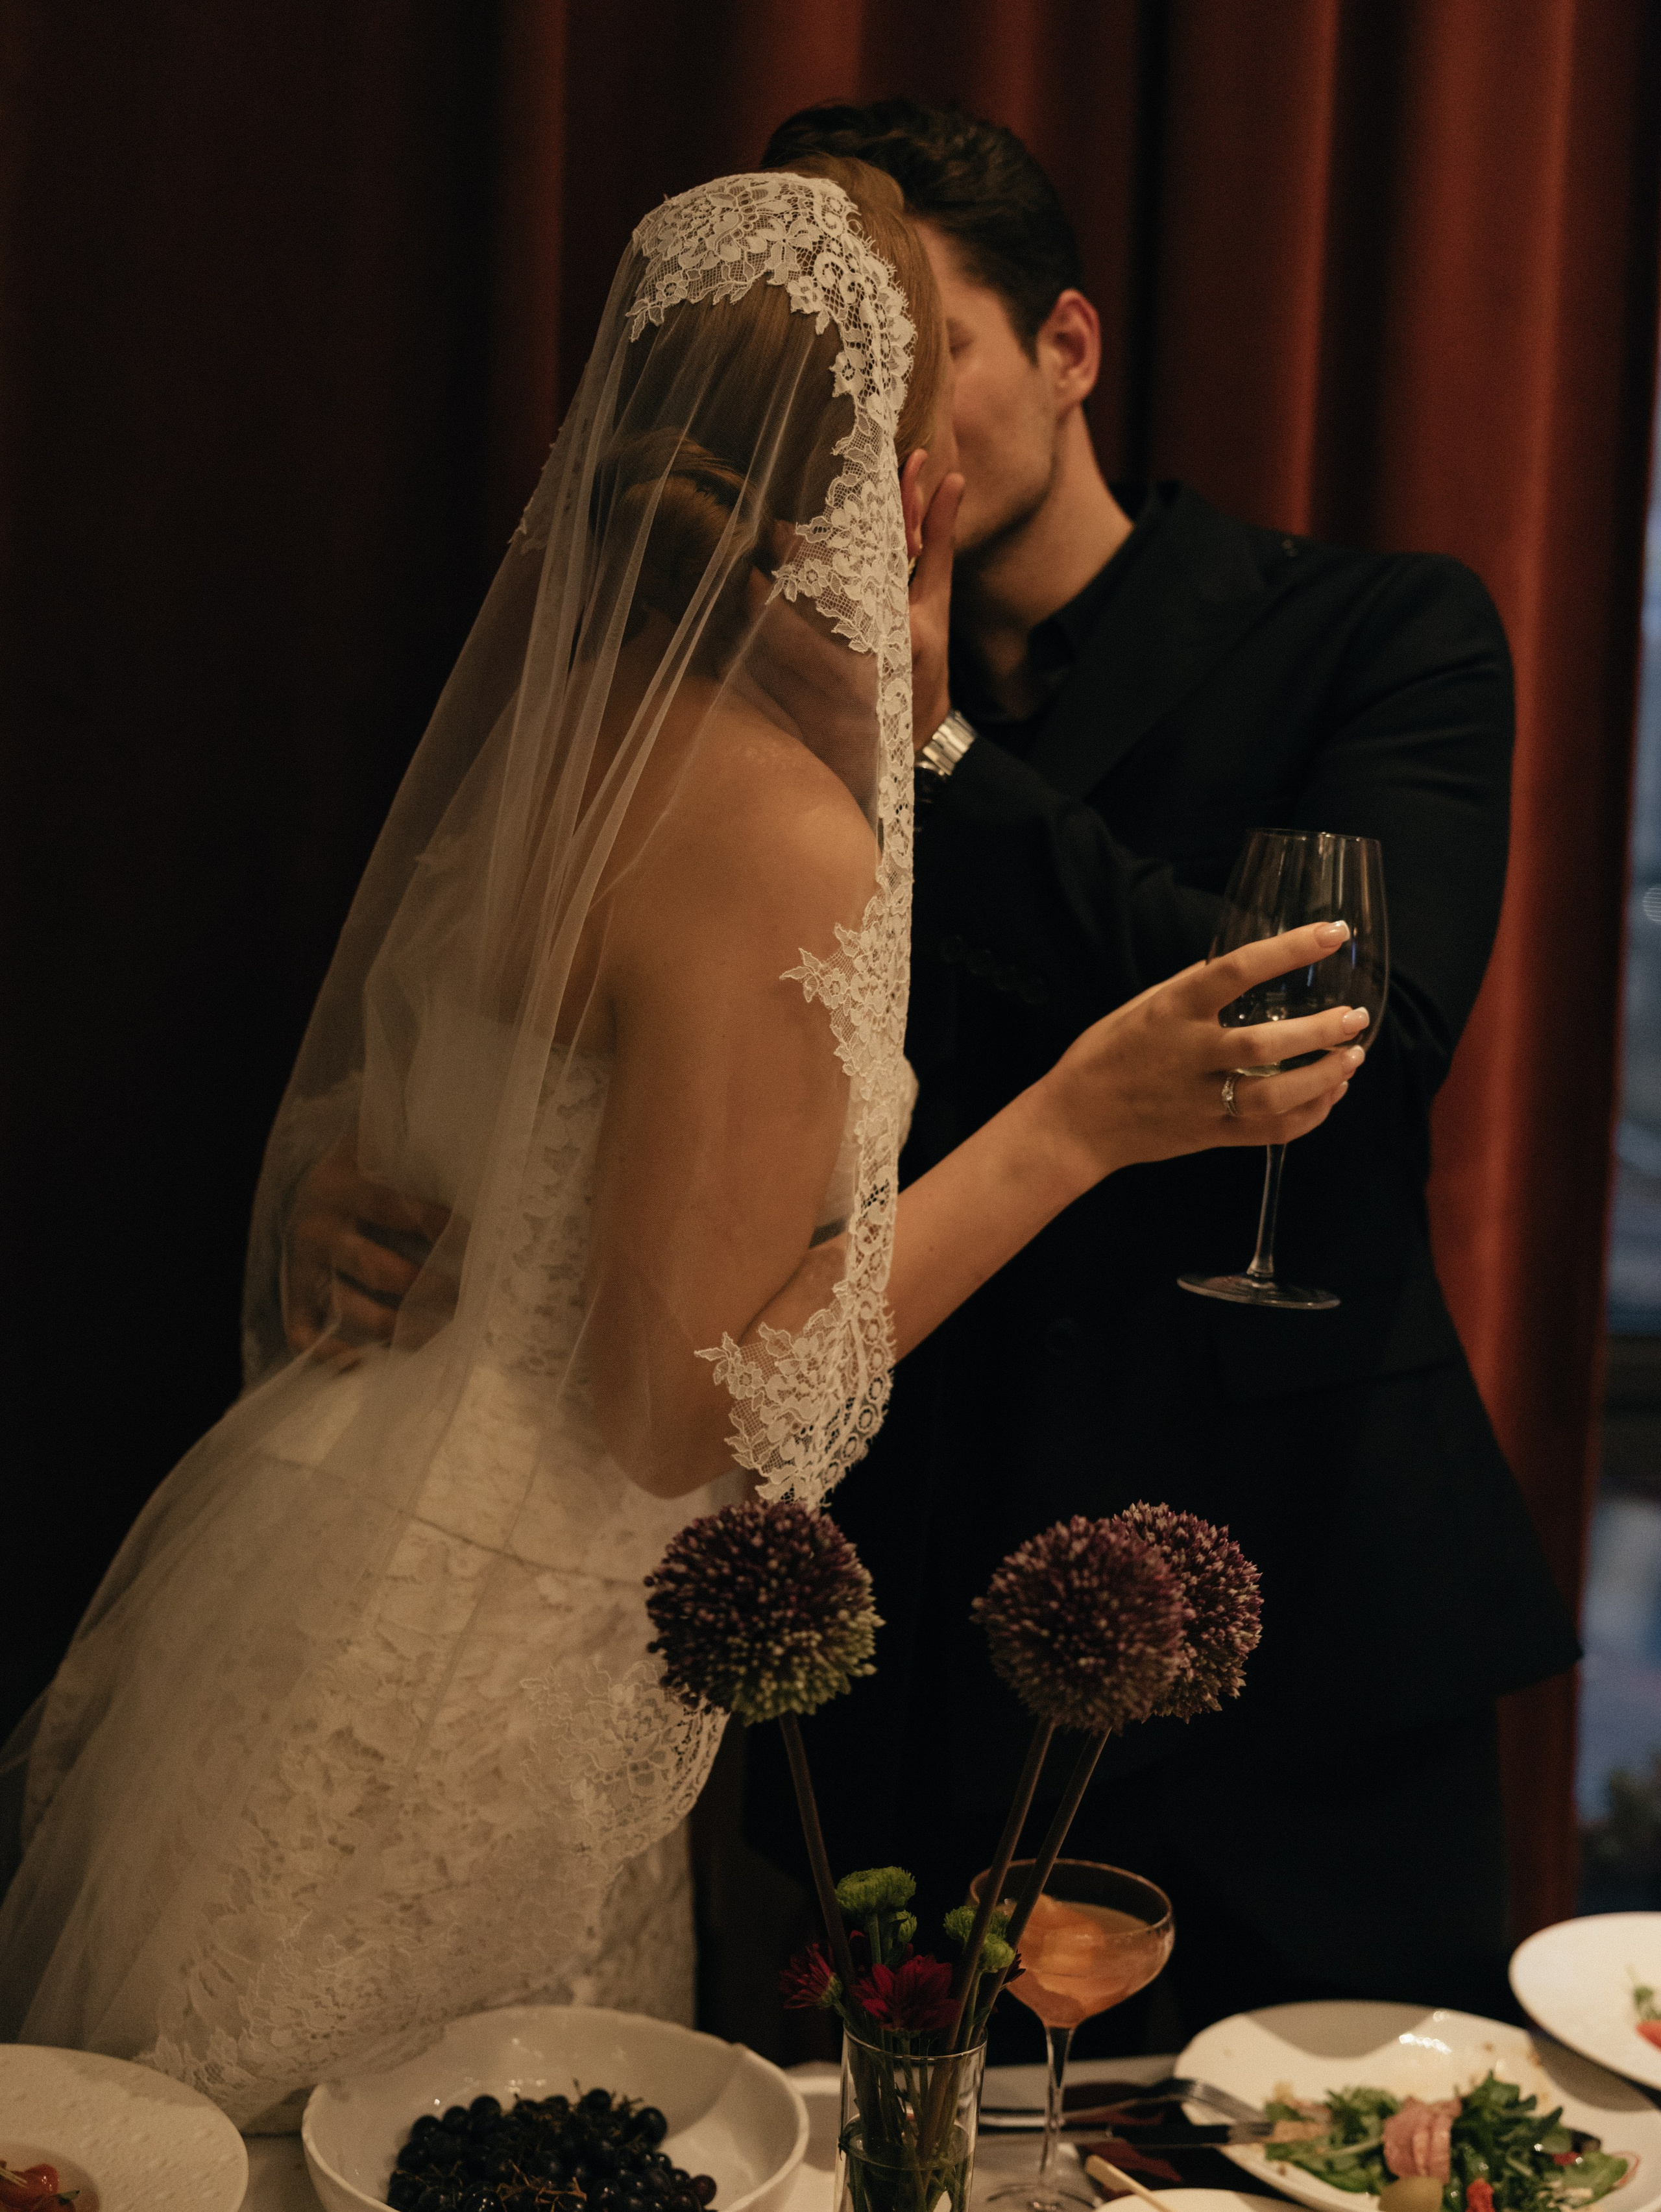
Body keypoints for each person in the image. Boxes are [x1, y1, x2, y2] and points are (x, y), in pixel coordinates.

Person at [0, 162, 1359, 2124]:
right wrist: (1070, 1127)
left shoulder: (589, 735)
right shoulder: (771, 827)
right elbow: (669, 1406)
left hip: (338, 1550)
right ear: (909, 487)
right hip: (473, 1678)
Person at [729, 101, 1582, 2050]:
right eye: (833, 365)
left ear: (1068, 348)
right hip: (908, 1616)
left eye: (921, 347)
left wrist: (942, 762)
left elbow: (1346, 1047)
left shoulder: (1379, 631)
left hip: (1295, 1612)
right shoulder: (769, 686)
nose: (887, 419)